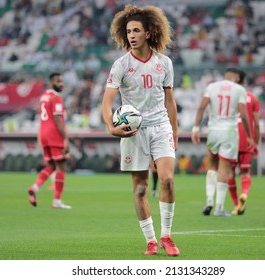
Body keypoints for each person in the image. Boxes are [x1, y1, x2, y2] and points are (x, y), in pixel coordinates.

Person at [101, 5, 180, 256]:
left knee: (167, 178)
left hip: (160, 126)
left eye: (136, 30)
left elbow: (170, 100)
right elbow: (107, 100)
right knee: (141, 189)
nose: (131, 35)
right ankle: (151, 240)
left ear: (148, 33)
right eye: (128, 31)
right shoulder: (121, 65)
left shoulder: (164, 63)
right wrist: (111, 127)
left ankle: (167, 235)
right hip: (134, 131)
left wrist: (175, 131)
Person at [192, 68, 253, 217]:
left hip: (213, 131)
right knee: (224, 169)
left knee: (212, 166)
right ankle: (219, 207)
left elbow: (201, 107)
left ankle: (208, 201)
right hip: (229, 132)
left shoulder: (212, 87)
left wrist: (195, 128)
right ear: (237, 78)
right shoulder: (239, 89)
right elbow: (244, 116)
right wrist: (249, 136)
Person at [27, 72, 71, 209]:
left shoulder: (43, 97)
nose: (61, 84)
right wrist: (65, 139)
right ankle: (57, 201)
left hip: (44, 134)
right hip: (54, 135)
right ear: (51, 82)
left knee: (51, 166)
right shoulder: (56, 98)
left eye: (62, 81)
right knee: (61, 166)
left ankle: (35, 188)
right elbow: (58, 119)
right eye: (58, 81)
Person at [227, 69, 260, 215]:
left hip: (231, 137)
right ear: (244, 83)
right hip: (247, 137)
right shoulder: (253, 98)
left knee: (230, 173)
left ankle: (236, 205)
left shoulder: (229, 97)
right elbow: (257, 124)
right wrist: (255, 142)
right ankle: (244, 192)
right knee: (245, 171)